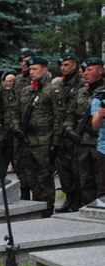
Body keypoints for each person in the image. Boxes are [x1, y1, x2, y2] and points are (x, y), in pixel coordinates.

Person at [12, 56, 62, 217]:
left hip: (44, 141)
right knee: (30, 177)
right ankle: (34, 209)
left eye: (35, 69)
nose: (31, 72)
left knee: (44, 178)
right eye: (31, 69)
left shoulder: (52, 90)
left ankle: (47, 210)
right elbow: (15, 112)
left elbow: (58, 118)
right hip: (27, 141)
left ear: (45, 70)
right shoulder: (26, 91)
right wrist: (16, 127)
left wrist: (55, 143)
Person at [63, 57, 104, 208]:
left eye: (89, 70)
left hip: (98, 144)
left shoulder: (103, 91)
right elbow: (69, 114)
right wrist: (69, 129)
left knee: (101, 180)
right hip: (81, 143)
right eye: (84, 70)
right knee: (84, 181)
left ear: (100, 71)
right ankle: (89, 210)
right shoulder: (81, 92)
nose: (85, 74)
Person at [55, 52, 84, 212]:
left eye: (66, 65)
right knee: (63, 170)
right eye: (62, 65)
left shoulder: (82, 83)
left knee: (77, 170)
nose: (63, 68)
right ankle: (68, 199)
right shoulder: (59, 84)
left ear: (74, 65)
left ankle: (78, 202)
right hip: (60, 133)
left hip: (75, 133)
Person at [92, 79, 105, 197]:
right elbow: (95, 126)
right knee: (103, 191)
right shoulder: (100, 98)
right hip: (104, 150)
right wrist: (100, 115)